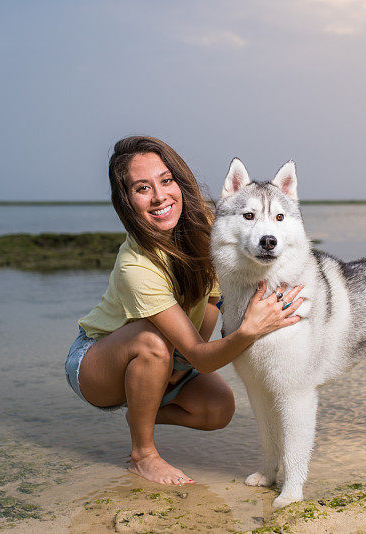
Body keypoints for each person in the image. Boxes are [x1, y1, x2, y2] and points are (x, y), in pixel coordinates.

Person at [64, 136, 304, 486]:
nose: (160, 196)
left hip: (170, 356)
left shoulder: (210, 228)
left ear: (180, 181)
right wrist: (250, 330)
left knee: (219, 408)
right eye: (142, 188)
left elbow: (216, 304)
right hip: (97, 363)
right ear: (127, 201)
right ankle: (142, 454)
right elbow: (205, 359)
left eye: (166, 180)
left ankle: (142, 406)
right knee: (151, 343)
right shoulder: (136, 266)